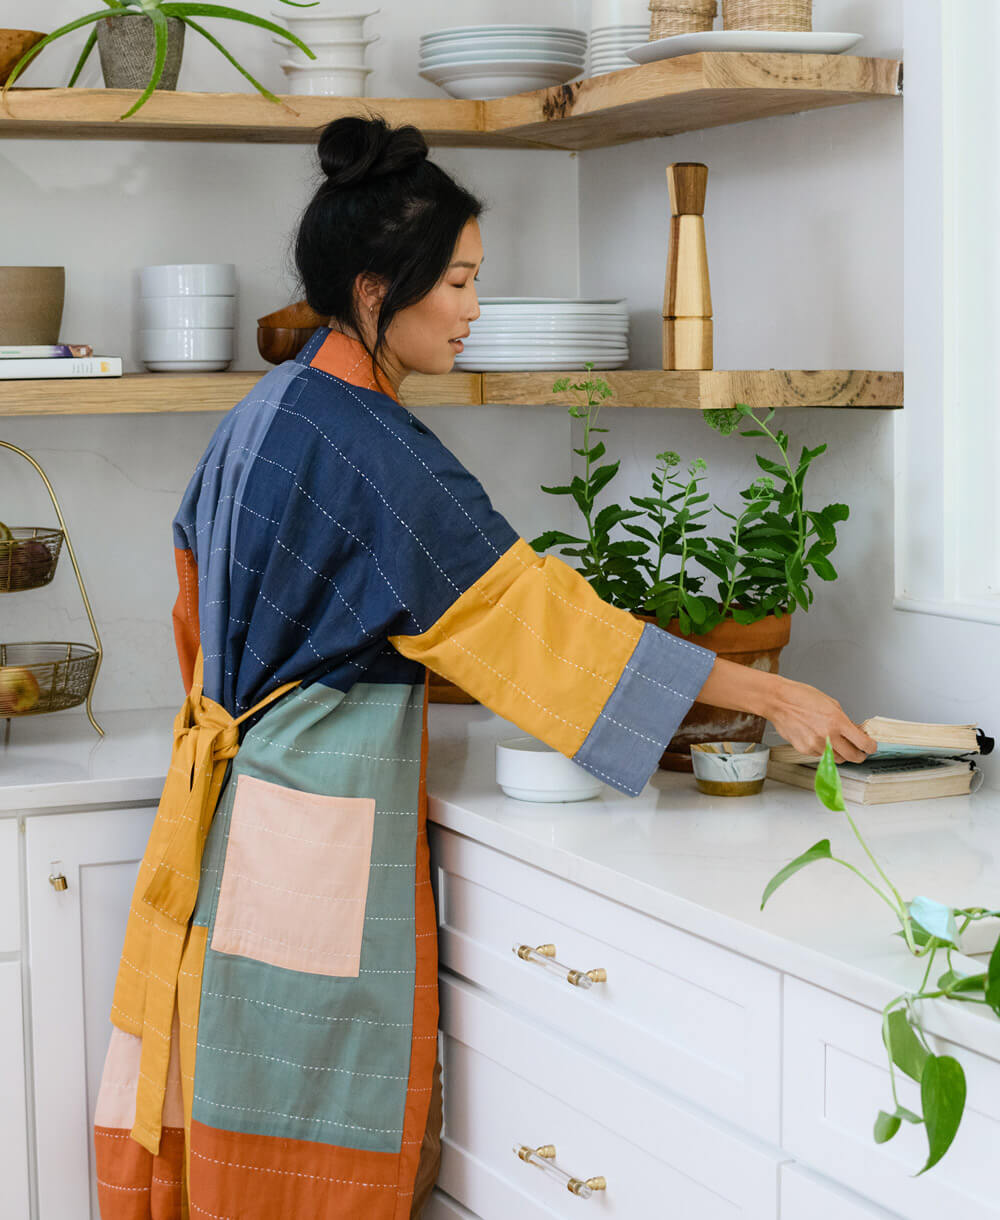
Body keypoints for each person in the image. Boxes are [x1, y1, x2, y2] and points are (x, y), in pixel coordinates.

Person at [92, 115, 877, 1220]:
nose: (473, 310)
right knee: (315, 1120)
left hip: (238, 798)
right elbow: (539, 619)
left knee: (233, 1089)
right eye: (457, 282)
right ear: (378, 288)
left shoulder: (268, 407)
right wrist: (772, 688)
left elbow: (195, 601)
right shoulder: (376, 447)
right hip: (314, 810)